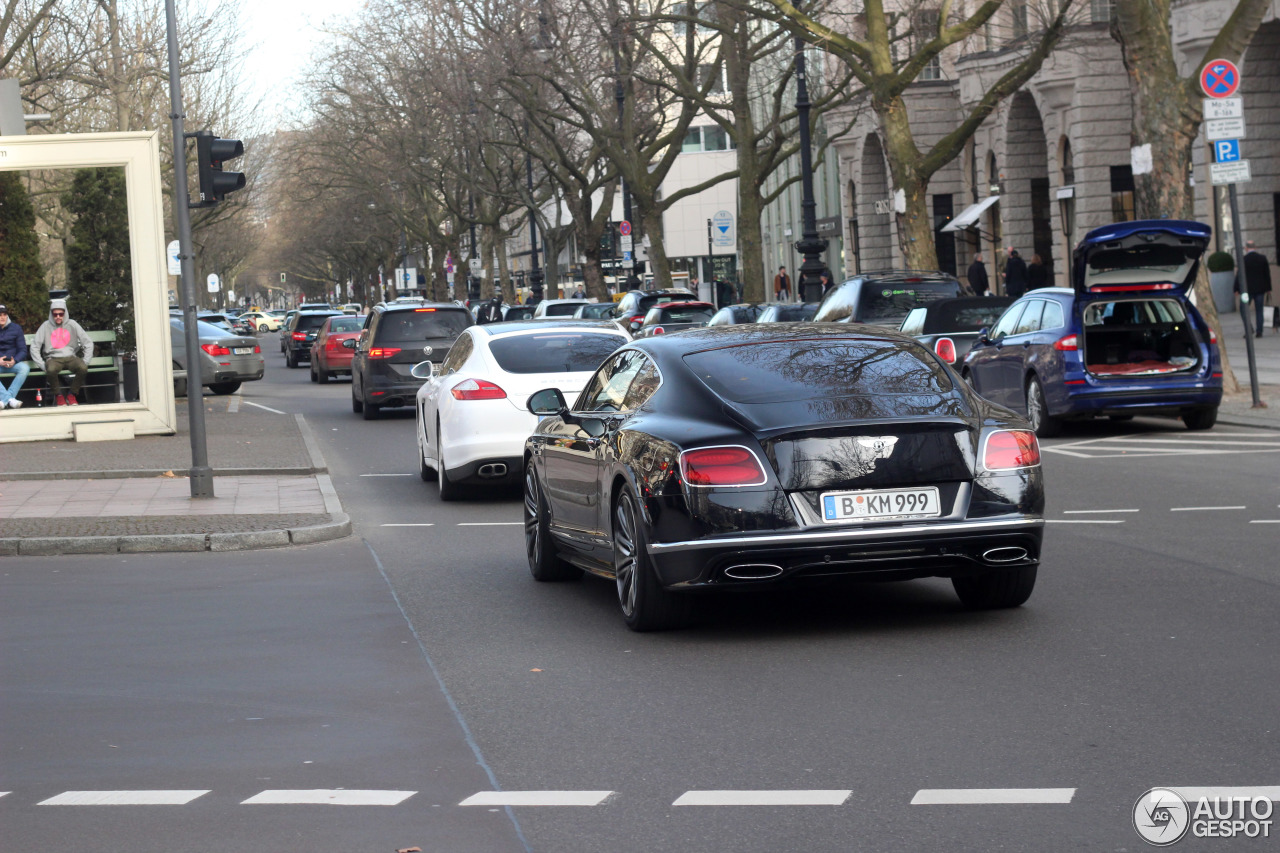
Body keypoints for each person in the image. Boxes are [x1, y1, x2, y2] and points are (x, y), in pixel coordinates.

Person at [30, 298, 94, 406]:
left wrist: (86, 360)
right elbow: (34, 346)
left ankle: (72, 394)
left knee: (83, 368)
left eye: (61, 314)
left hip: (71, 357)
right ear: (51, 314)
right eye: (55, 314)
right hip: (53, 358)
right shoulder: (45, 326)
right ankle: (58, 395)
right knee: (50, 369)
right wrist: (41, 364)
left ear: (65, 313)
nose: (58, 317)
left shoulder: (72, 324)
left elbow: (88, 342)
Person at [0, 304, 30, 409]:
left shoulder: (16, 328)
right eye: (0, 315)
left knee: (25, 368)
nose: (2, 317)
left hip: (12, 363)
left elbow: (22, 350)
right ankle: (9, 399)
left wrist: (15, 360)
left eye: (4, 314)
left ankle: (3, 400)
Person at [1242, 241, 1272, 337]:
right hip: (1260, 289)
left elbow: (1240, 275)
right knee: (1259, 310)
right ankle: (1259, 331)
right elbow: (1267, 274)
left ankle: (1249, 329)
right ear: (1255, 247)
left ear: (1246, 248)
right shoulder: (1262, 258)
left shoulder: (1244, 259)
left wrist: (1237, 288)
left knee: (1244, 309)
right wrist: (1268, 288)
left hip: (1247, 290)